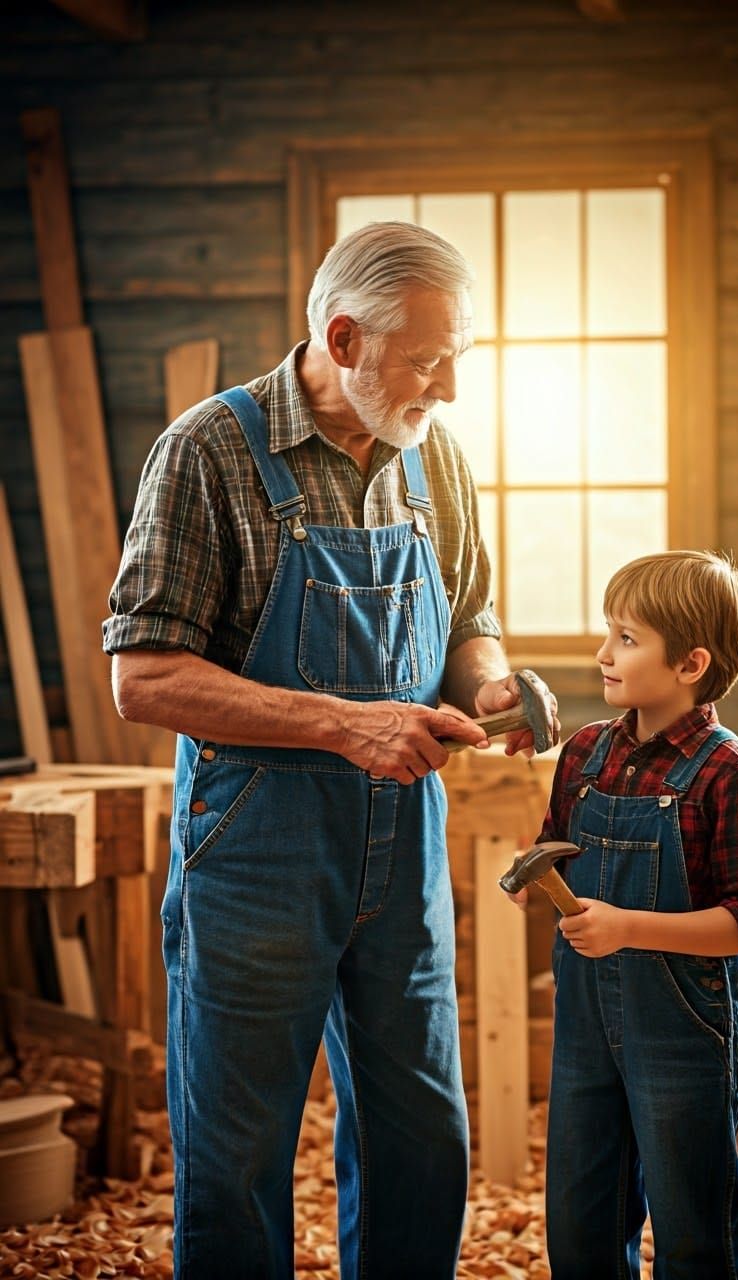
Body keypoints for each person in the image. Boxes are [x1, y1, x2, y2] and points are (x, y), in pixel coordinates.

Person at [102, 220, 559, 1280]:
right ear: (343, 337)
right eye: (427, 360)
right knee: (237, 1151)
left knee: (421, 1135)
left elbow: (468, 616)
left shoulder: (433, 455)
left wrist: (488, 684)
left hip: (402, 844)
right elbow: (143, 678)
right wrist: (347, 724)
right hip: (255, 846)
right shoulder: (207, 452)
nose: (449, 390)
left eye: (458, 359)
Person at [508, 550, 738, 1280]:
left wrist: (628, 928)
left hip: (681, 1034)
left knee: (694, 1227)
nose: (603, 653)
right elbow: (555, 843)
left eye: (627, 638)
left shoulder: (732, 773)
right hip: (584, 1024)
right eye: (609, 631)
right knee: (581, 1219)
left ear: (691, 664)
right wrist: (531, 877)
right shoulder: (585, 753)